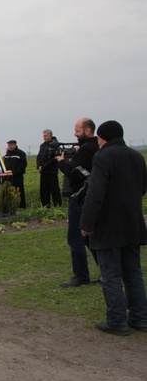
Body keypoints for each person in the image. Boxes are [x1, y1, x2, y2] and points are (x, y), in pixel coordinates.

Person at [80, 120, 147, 336]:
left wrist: (86, 224)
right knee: (134, 272)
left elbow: (96, 193)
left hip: (108, 225)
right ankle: (140, 317)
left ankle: (117, 321)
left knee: (110, 274)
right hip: (133, 222)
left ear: (102, 137)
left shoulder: (103, 156)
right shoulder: (136, 156)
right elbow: (142, 188)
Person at [57, 118, 99, 288]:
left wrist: (61, 162)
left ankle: (81, 276)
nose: (74, 134)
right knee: (90, 238)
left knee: (76, 238)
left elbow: (74, 173)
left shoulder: (86, 150)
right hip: (91, 197)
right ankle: (106, 271)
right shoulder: (97, 148)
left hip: (79, 197)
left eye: (77, 131)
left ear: (87, 131)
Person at [37, 129, 62, 207]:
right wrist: (38, 166)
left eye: (46, 136)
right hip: (43, 172)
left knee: (54, 189)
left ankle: (57, 206)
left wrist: (44, 167)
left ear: (50, 136)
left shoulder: (55, 145)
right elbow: (38, 156)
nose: (44, 137)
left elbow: (54, 159)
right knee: (44, 190)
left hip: (51, 171)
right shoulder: (42, 145)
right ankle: (45, 206)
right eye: (43, 136)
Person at [3, 140, 27, 208]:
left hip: (17, 176)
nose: (10, 147)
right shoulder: (7, 154)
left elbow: (23, 165)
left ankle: (21, 206)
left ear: (15, 145)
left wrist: (15, 172)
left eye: (11, 145)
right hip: (8, 176)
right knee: (9, 192)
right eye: (9, 145)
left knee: (19, 191)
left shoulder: (20, 153)